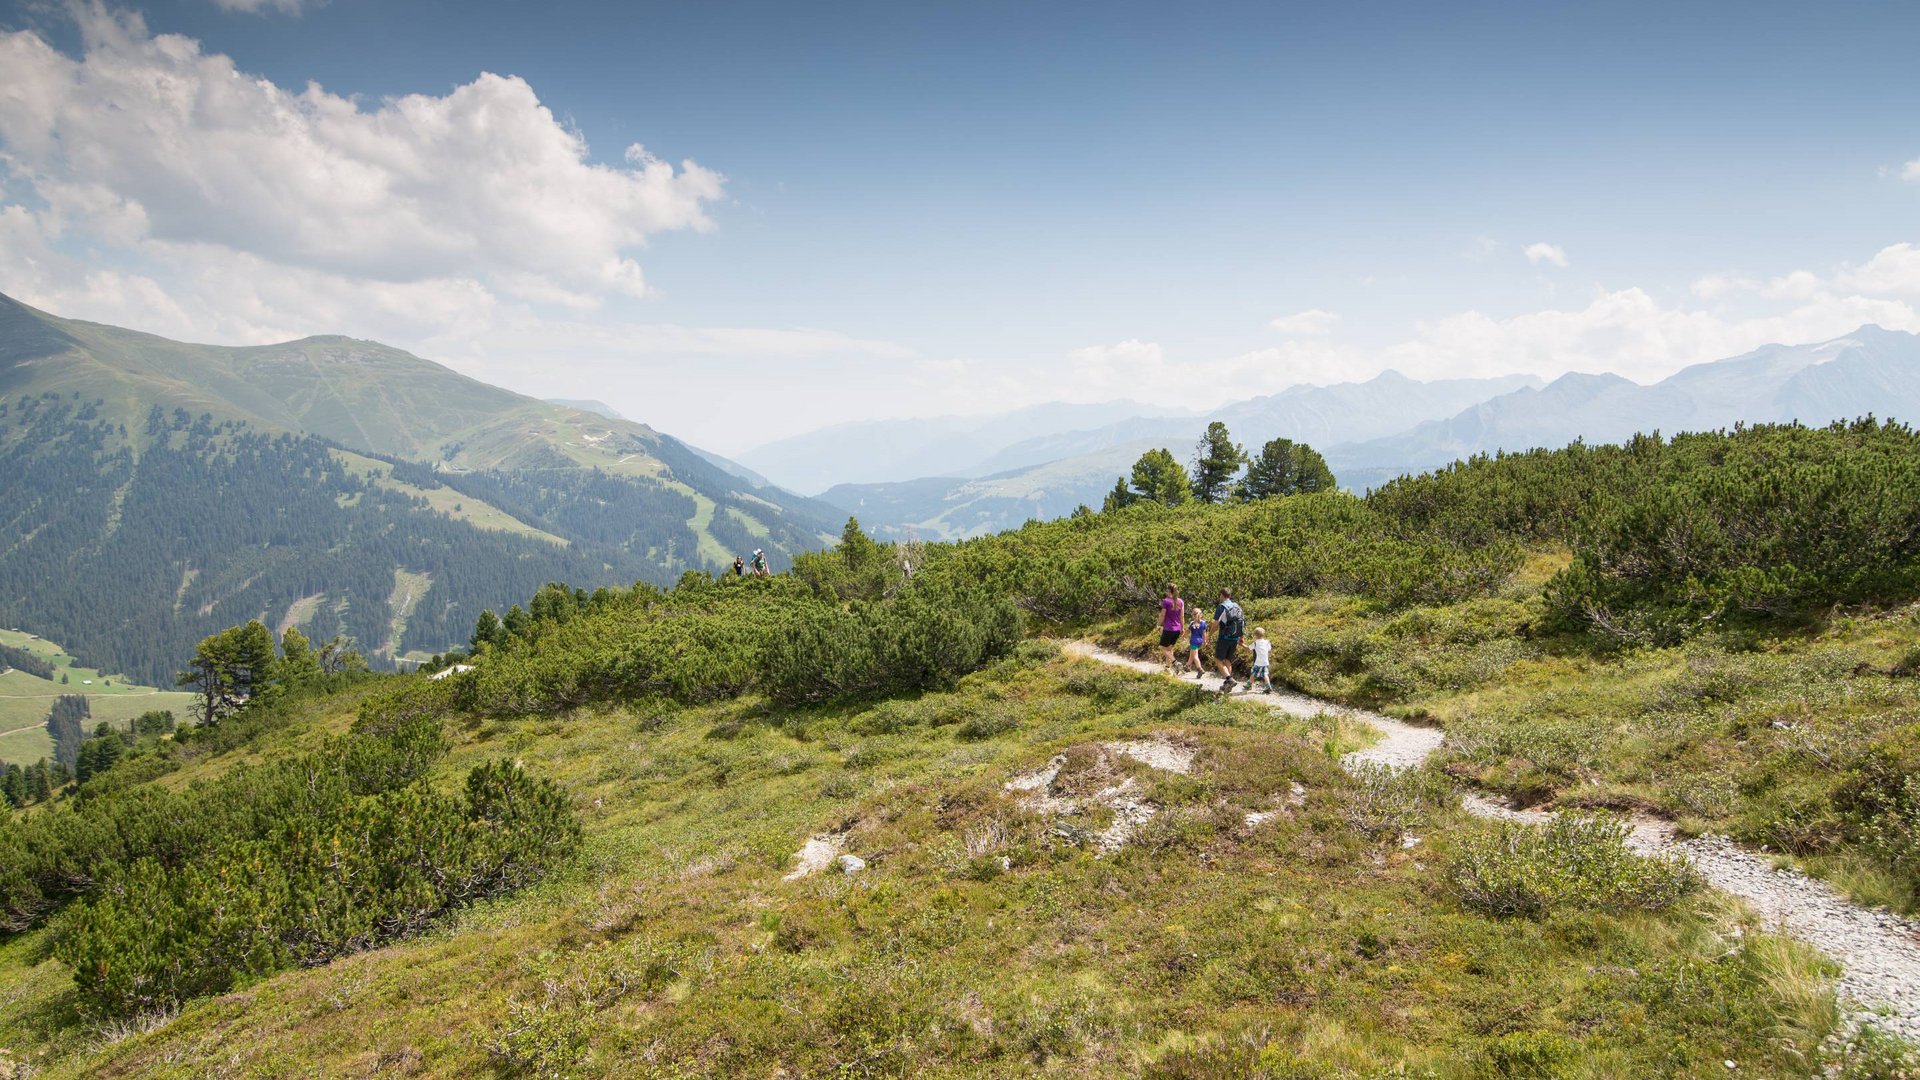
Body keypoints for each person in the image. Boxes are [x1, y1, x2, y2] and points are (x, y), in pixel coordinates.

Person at [1213, 588, 1244, 693]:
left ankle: (1229, 680)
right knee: (1227, 660)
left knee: (1218, 659)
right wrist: (1241, 637)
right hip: (1235, 638)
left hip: (1224, 637)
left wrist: (1209, 635)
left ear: (1222, 595)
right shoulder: (1237, 606)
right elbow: (1241, 622)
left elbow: (1216, 624)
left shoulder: (1221, 607)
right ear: (1230, 596)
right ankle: (1227, 685)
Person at [1157, 584, 1185, 673]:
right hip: (1177, 629)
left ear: (1169, 590)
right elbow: (1182, 616)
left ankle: (1176, 663)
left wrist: (1158, 624)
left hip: (1168, 628)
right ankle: (1167, 667)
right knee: (1169, 649)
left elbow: (1162, 615)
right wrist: (1182, 628)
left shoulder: (1166, 601)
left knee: (1163, 648)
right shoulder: (1180, 601)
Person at [1249, 627, 1274, 693]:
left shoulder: (1255, 643)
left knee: (1253, 673)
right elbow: (1269, 649)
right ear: (1263, 634)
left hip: (1258, 662)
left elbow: (1249, 648)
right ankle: (1268, 686)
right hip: (1265, 662)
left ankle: (1248, 685)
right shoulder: (1267, 642)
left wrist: (1241, 644)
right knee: (1265, 674)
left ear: (1255, 635)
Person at [1185, 612, 1209, 678]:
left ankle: (1200, 669)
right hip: (1199, 641)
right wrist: (1205, 641)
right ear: (1201, 615)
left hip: (1193, 641)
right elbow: (1204, 633)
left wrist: (1184, 636)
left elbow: (1187, 631)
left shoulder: (1192, 623)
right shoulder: (1203, 623)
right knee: (1192, 654)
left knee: (1195, 656)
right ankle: (1187, 666)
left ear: (1193, 615)